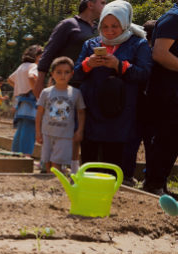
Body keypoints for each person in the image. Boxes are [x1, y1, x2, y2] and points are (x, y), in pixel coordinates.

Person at [74, 0, 152, 173]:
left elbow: (144, 73)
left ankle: (110, 195)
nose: (109, 31)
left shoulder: (138, 44)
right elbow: (77, 72)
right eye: (105, 26)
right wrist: (88, 64)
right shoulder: (91, 44)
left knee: (113, 161)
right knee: (89, 160)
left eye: (114, 26)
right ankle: (89, 195)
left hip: (120, 112)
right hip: (91, 111)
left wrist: (120, 66)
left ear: (125, 24)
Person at [34, 0, 106, 173]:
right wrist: (40, 79)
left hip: (91, 85)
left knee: (80, 130)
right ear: (90, 4)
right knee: (62, 125)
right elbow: (49, 51)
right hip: (67, 85)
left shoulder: (99, 29)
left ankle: (75, 168)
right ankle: (50, 162)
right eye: (102, 2)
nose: (106, 6)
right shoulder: (69, 25)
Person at [143, 2, 178, 198]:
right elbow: (160, 53)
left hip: (172, 89)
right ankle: (153, 184)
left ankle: (157, 183)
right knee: (169, 137)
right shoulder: (174, 17)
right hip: (165, 90)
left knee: (169, 138)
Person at [121, 20, 156, 187]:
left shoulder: (137, 51)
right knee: (152, 145)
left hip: (135, 105)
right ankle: (150, 177)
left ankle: (127, 175)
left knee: (131, 142)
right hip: (154, 106)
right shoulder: (158, 54)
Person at [36, 57, 87, 173]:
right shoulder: (46, 92)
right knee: (47, 160)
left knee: (57, 161)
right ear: (52, 74)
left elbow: (81, 112)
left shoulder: (76, 93)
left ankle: (57, 183)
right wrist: (38, 132)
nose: (62, 75)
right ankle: (52, 182)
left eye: (66, 72)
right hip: (47, 133)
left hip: (65, 134)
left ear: (72, 74)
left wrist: (80, 130)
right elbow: (39, 113)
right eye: (59, 72)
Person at [8, 45, 43, 158]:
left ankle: (16, 152)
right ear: (36, 56)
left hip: (21, 100)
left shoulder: (21, 66)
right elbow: (31, 77)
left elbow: (9, 80)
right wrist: (36, 90)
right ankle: (26, 154)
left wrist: (19, 87)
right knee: (30, 128)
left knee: (22, 128)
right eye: (41, 56)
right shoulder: (33, 66)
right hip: (31, 100)